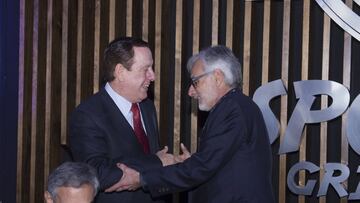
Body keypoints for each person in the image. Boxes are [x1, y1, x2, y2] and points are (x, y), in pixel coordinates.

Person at [106, 45, 276, 202]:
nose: (190, 91)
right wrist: (192, 163)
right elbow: (218, 164)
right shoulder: (235, 106)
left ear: (217, 77)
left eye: (196, 82)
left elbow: (203, 167)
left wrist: (142, 178)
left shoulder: (232, 109)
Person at [69, 37, 173, 202]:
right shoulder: (87, 115)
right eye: (146, 69)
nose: (152, 76)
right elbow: (96, 174)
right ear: (120, 72)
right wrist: (156, 162)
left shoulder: (147, 107)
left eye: (151, 68)